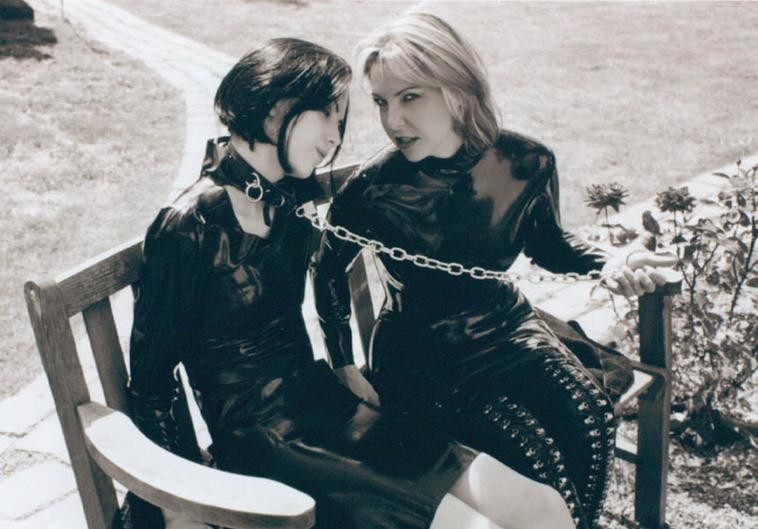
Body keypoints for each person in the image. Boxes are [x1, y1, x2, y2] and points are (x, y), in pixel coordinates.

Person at [127, 38, 576, 529]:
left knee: (542, 507)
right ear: (277, 107)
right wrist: (182, 496)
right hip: (262, 440)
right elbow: (150, 385)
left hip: (327, 408)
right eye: (328, 117)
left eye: (341, 123)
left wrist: (343, 368)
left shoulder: (288, 205)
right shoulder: (189, 226)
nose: (334, 139)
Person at [310, 12, 676, 529]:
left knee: (589, 417)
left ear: (458, 91)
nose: (393, 120)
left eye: (410, 97)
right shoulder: (372, 189)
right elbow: (327, 270)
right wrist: (343, 364)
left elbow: (550, 246)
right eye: (382, 102)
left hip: (508, 328)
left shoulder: (527, 162)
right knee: (532, 450)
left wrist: (610, 260)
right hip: (422, 353)